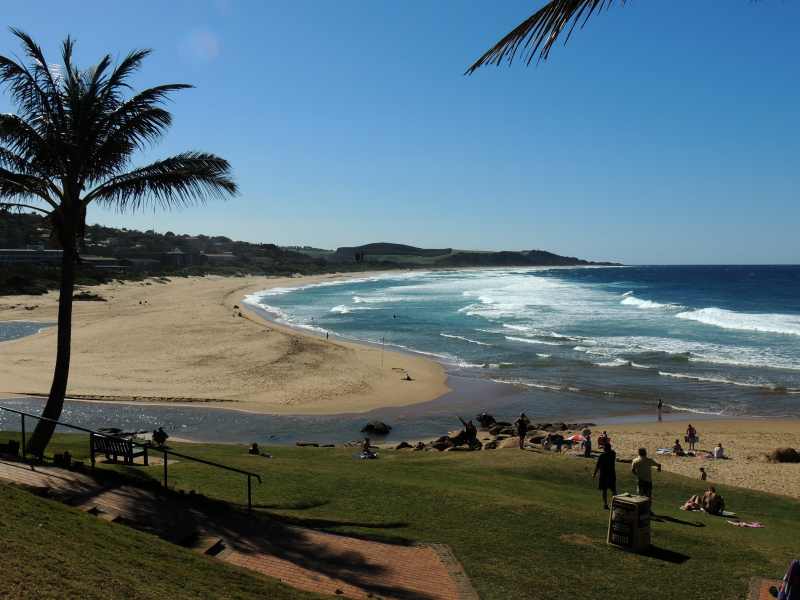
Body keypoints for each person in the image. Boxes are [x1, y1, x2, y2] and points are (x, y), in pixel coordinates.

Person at [593, 443, 617, 510]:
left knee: (604, 490)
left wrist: (594, 474)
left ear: (605, 448)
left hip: (604, 475)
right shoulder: (613, 454)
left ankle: (605, 504)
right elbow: (612, 451)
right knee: (613, 490)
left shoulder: (602, 456)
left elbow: (597, 466)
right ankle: (615, 504)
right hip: (612, 474)